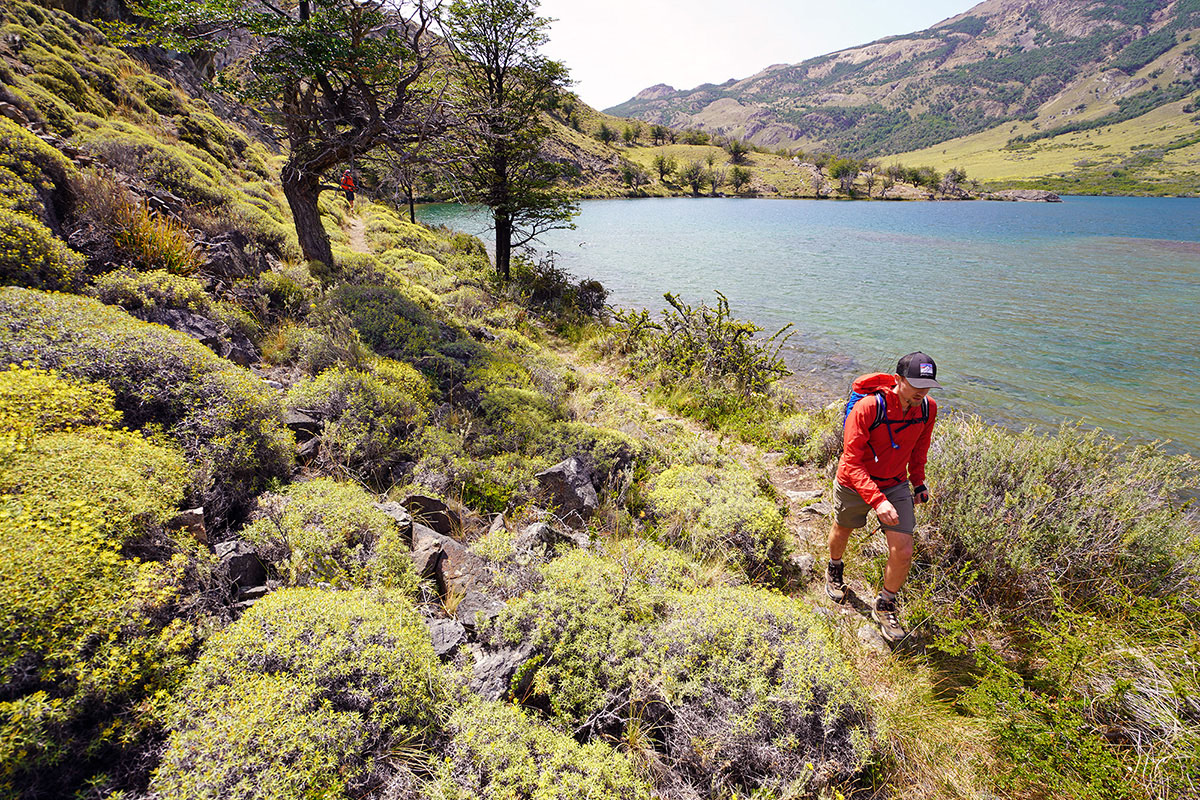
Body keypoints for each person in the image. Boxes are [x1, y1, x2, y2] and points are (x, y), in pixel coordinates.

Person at [825, 352, 941, 642]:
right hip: (854, 482)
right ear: (898, 380)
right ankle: (835, 566)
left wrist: (918, 483)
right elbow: (851, 461)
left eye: (926, 386)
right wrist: (877, 500)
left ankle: (885, 603)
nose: (921, 392)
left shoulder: (928, 409)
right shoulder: (867, 408)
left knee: (903, 550)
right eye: (915, 384)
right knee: (843, 530)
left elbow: (918, 450)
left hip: (895, 483)